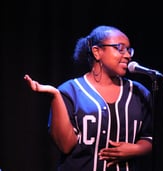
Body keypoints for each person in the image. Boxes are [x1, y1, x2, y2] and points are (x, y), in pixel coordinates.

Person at [24, 25, 153, 171]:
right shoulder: (70, 91)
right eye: (119, 48)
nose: (128, 55)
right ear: (97, 52)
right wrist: (55, 95)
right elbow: (65, 146)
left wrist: (135, 149)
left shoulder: (139, 92)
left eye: (129, 50)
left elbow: (150, 138)